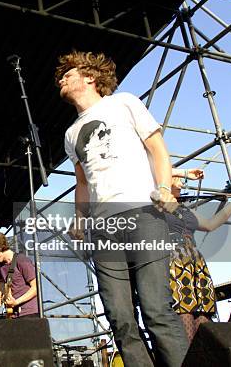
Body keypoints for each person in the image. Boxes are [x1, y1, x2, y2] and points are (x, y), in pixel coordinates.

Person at [56, 51, 188, 366]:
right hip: (102, 229)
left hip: (142, 212)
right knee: (119, 316)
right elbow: (83, 183)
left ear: (89, 77)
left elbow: (157, 148)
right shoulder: (71, 134)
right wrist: (79, 219)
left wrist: (166, 188)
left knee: (156, 308)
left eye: (68, 73)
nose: (61, 78)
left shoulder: (125, 102)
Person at [167, 171, 231, 342]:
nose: (181, 183)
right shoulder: (156, 203)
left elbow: (211, 224)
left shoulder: (184, 209)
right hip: (173, 261)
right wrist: (184, 173)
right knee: (184, 312)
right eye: (177, 179)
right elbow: (154, 171)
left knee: (203, 315)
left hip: (194, 262)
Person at [0, 232, 38, 318]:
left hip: (29, 313)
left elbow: (36, 288)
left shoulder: (22, 260)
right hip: (12, 314)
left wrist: (16, 302)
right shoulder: (0, 265)